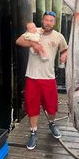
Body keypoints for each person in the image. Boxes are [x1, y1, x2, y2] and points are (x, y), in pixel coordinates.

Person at [16, 11, 68, 150]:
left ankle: (52, 123)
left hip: (49, 77)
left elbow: (65, 49)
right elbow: (19, 41)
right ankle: (33, 132)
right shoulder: (33, 31)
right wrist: (34, 44)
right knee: (32, 106)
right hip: (32, 77)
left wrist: (64, 56)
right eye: (46, 20)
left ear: (54, 22)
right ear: (42, 20)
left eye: (51, 20)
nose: (48, 23)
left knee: (51, 106)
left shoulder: (59, 37)